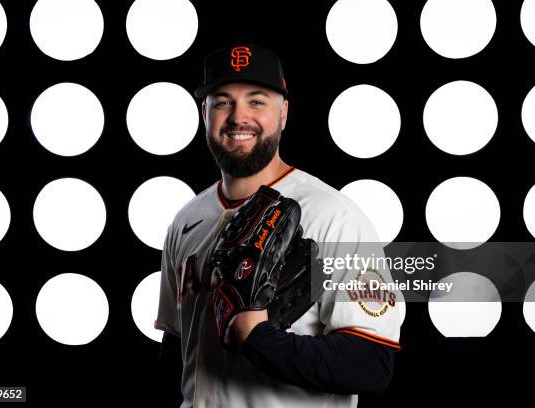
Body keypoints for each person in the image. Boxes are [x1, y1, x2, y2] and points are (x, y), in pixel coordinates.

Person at [155, 42, 403, 408]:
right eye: (223, 101)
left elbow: (371, 364)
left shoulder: (335, 218)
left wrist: (257, 337)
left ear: (283, 113)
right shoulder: (186, 221)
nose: (239, 117)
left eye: (257, 101)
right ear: (204, 112)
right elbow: (177, 346)